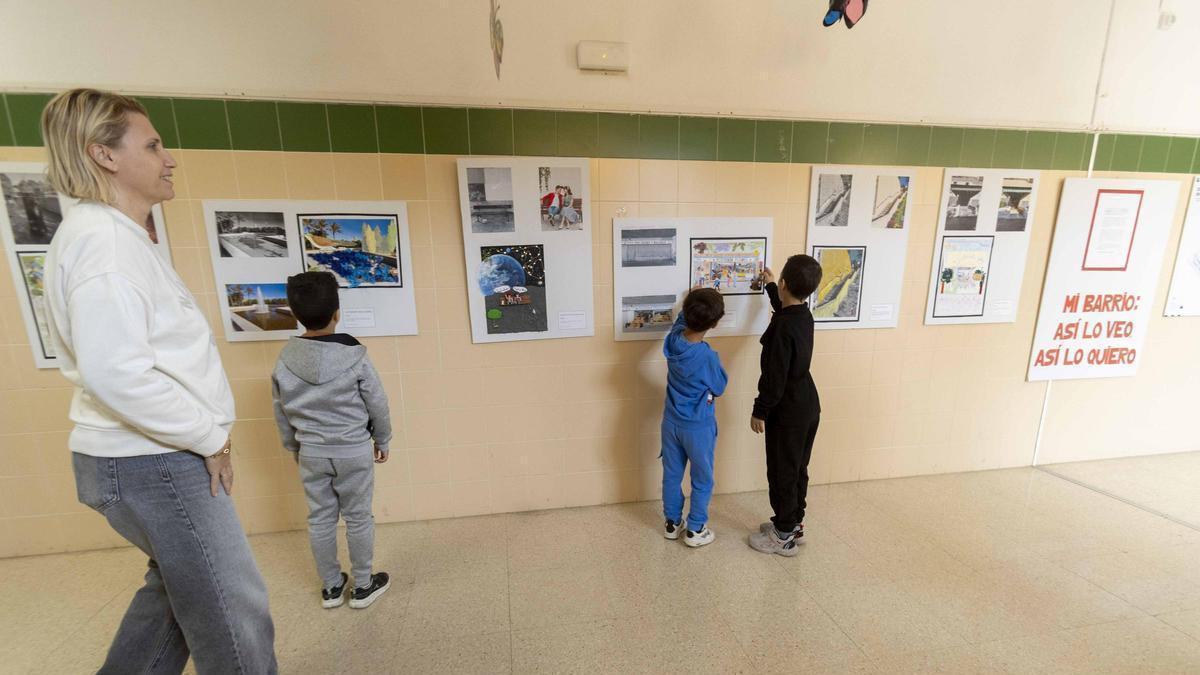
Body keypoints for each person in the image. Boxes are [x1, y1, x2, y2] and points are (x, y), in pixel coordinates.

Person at [40, 88, 276, 672]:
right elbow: (117, 372)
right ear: (104, 155)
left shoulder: (110, 237)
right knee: (233, 614)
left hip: (140, 460)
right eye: (153, 144)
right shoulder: (104, 245)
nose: (169, 158)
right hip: (156, 461)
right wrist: (208, 436)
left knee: (175, 598)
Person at [271, 271, 392, 609]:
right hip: (353, 450)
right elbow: (377, 402)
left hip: (311, 451)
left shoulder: (284, 360)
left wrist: (295, 448)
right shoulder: (356, 356)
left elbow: (280, 411)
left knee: (320, 518)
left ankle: (331, 588)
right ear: (337, 312)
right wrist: (382, 439)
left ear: (295, 314)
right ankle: (364, 585)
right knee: (358, 517)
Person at [748, 256, 824, 556]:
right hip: (808, 405)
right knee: (797, 468)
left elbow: (774, 377)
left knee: (782, 471)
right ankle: (793, 522)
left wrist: (760, 410)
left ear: (784, 283)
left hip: (787, 410)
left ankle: (783, 535)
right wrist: (769, 286)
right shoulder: (802, 315)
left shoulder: (783, 327)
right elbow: (784, 310)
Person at [660, 288, 728, 547]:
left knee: (672, 474)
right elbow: (720, 387)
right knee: (702, 478)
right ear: (715, 323)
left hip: (670, 423)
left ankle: (672, 523)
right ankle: (696, 529)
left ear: (686, 314)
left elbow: (680, 322)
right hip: (698, 427)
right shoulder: (707, 357)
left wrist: (691, 301)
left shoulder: (674, 341)